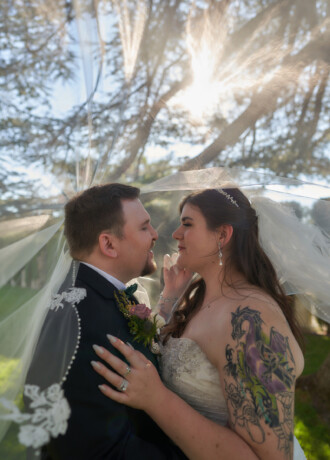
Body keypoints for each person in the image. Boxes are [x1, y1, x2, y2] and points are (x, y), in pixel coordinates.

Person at [91, 188, 307, 460]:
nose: (175, 234)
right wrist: (169, 299)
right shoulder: (200, 298)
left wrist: (156, 398)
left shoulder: (251, 318)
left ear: (222, 235)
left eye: (188, 224)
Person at [25, 183, 190, 459]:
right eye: (144, 227)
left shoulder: (104, 297)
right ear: (108, 244)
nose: (154, 234)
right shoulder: (78, 319)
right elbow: (98, 450)